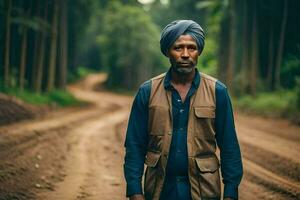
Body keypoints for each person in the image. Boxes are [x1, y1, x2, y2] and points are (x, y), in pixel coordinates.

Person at [123, 20, 243, 200]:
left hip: (204, 192)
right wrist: (135, 191)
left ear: (199, 51)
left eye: (192, 48)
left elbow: (229, 147)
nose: (185, 54)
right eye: (178, 48)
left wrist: (231, 193)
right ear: (167, 52)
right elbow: (134, 146)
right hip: (159, 191)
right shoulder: (147, 92)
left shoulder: (218, 91)